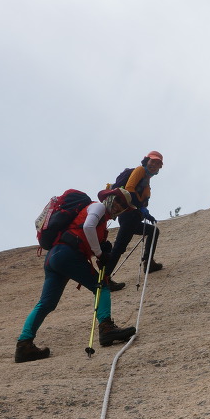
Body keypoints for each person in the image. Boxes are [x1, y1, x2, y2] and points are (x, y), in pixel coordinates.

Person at [15, 187, 137, 363]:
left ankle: (24, 345)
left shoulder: (102, 222)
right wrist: (100, 253)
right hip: (67, 254)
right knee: (102, 286)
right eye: (117, 200)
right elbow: (87, 227)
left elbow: (84, 233)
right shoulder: (98, 207)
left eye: (123, 205)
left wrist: (100, 249)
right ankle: (106, 329)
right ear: (109, 198)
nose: (119, 206)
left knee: (46, 303)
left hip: (54, 257)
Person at [106, 151, 163, 274]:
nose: (154, 165)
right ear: (146, 161)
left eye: (157, 163)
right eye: (152, 161)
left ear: (160, 167)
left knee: (153, 231)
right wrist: (141, 207)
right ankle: (105, 277)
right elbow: (129, 189)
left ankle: (149, 262)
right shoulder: (140, 170)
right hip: (129, 214)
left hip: (132, 216)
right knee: (119, 247)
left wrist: (145, 211)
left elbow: (140, 198)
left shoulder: (146, 180)